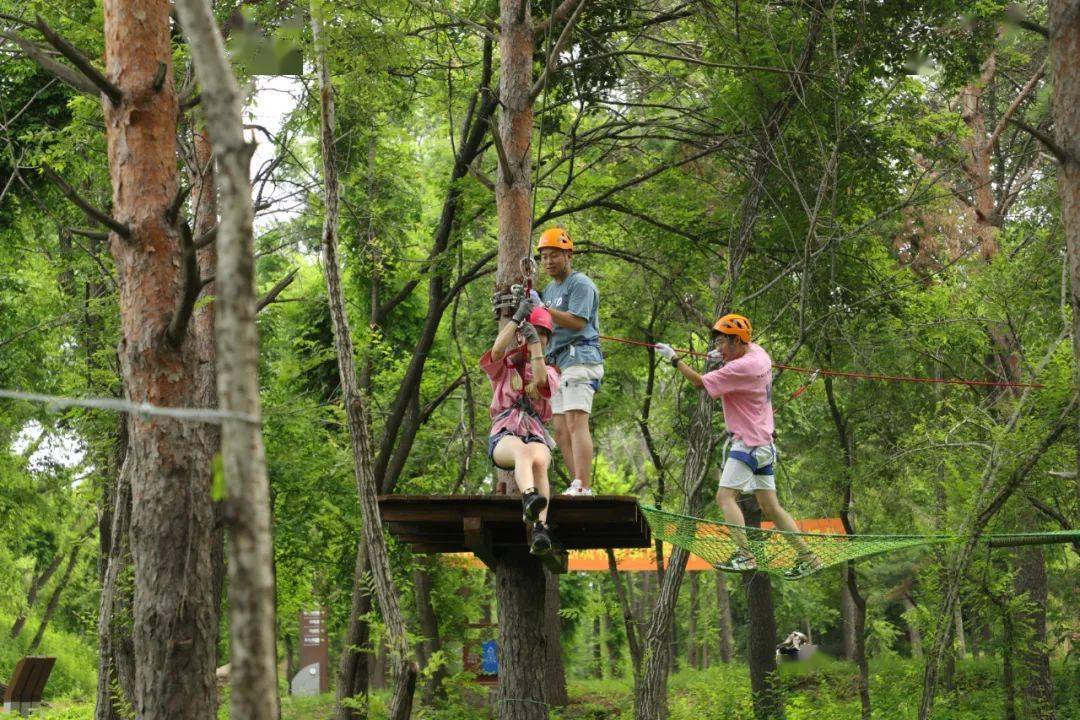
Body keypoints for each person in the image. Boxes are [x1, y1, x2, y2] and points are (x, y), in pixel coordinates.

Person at [656, 314, 823, 579]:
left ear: (737, 340)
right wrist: (720, 356)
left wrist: (674, 359)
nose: (719, 347)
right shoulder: (759, 354)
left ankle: (745, 555)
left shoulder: (739, 368)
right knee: (771, 508)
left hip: (748, 445)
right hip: (765, 445)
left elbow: (700, 383)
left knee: (725, 497)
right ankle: (808, 556)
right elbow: (731, 363)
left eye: (723, 342)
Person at [481, 298, 561, 555]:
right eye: (532, 333)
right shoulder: (505, 367)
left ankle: (541, 528)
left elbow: (540, 381)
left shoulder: (552, 372)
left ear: (548, 341)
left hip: (535, 432)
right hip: (506, 433)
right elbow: (495, 352)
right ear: (519, 337)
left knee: (539, 461)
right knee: (523, 453)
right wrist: (516, 320)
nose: (536, 338)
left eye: (542, 335)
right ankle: (529, 497)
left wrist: (535, 344)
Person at [534, 227, 603, 496]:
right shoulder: (550, 289)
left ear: (568, 255)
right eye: (544, 257)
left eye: (554, 255)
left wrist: (544, 309)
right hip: (558, 362)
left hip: (580, 357)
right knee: (561, 430)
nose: (549, 261)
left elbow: (577, 322)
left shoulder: (580, 284)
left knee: (576, 422)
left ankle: (584, 485)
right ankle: (576, 482)